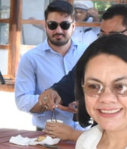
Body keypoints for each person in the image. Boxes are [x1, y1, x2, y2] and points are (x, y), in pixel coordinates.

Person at [38, 4, 127, 113]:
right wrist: (55, 92)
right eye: (103, 35)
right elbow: (73, 80)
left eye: (114, 35)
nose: (107, 42)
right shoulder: (97, 54)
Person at [15, 0, 86, 132]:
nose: (58, 30)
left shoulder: (88, 53)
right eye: (53, 25)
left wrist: (85, 103)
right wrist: (54, 102)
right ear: (45, 26)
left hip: (85, 133)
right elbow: (22, 99)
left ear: (74, 26)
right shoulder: (30, 58)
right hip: (48, 133)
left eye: (65, 25)